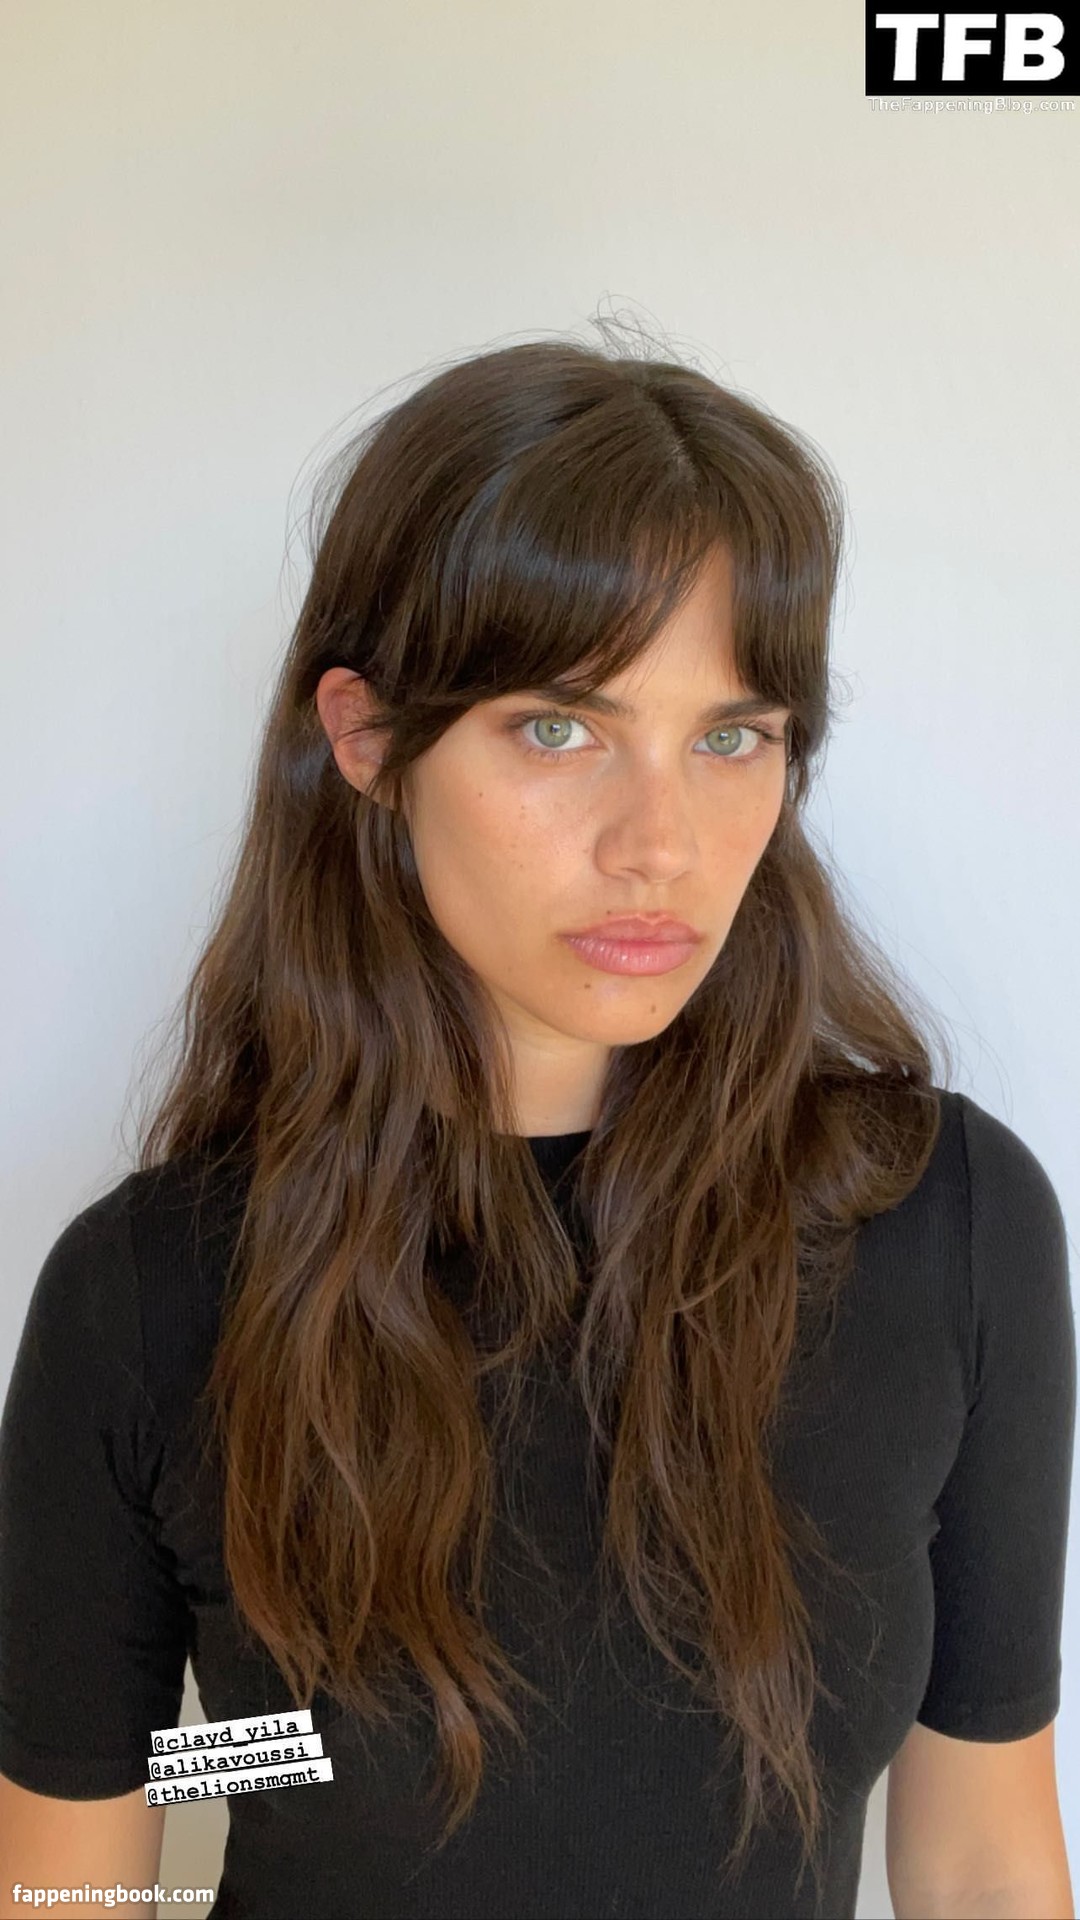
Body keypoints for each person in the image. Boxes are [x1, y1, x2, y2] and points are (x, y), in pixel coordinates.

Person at [0, 334, 1074, 1920]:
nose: (662, 844)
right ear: (369, 740)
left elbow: (982, 1853)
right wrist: (270, 1753)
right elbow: (77, 1860)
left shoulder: (943, 1223)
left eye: (731, 736)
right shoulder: (152, 1296)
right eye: (560, 727)